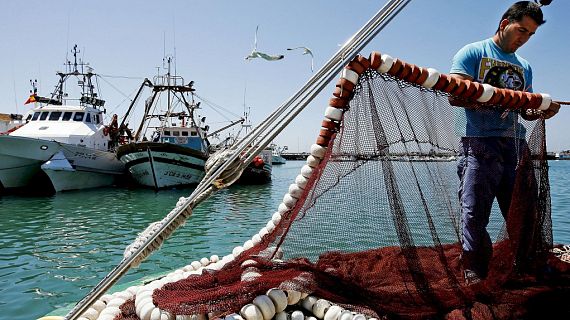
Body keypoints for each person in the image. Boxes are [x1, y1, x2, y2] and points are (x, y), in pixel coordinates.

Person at [449, 1, 560, 284]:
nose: (524, 39)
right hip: (480, 145)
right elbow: (454, 93)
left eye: (530, 35)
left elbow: (527, 110)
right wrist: (494, 95)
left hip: (515, 148)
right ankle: (474, 267)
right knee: (474, 212)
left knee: (524, 211)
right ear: (504, 24)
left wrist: (543, 109)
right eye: (521, 30)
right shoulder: (473, 52)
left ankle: (527, 262)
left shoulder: (524, 67)